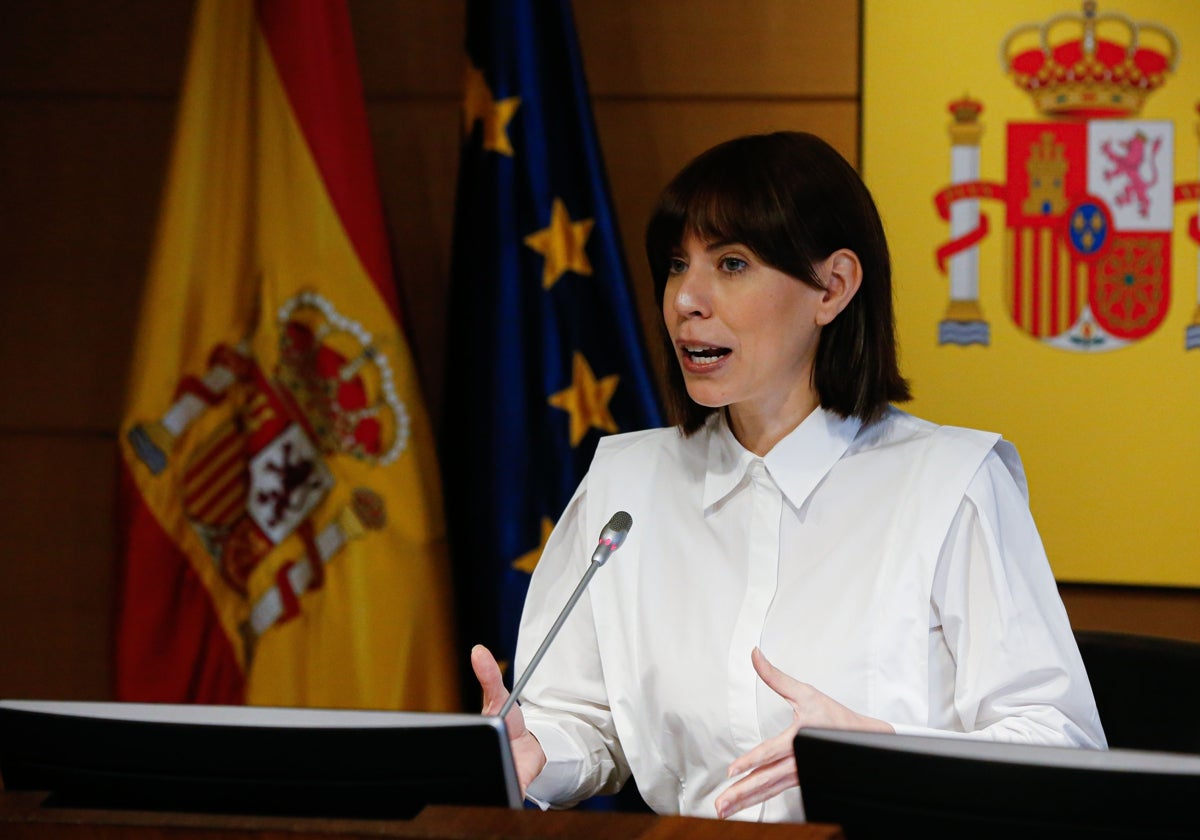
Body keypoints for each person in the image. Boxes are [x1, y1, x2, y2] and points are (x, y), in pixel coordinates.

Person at [470, 131, 1106, 823]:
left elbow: (1061, 746)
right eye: (678, 264)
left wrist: (883, 752)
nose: (686, 298)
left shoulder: (950, 484)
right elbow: (585, 721)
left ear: (832, 288)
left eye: (733, 263)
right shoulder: (626, 487)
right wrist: (538, 750)